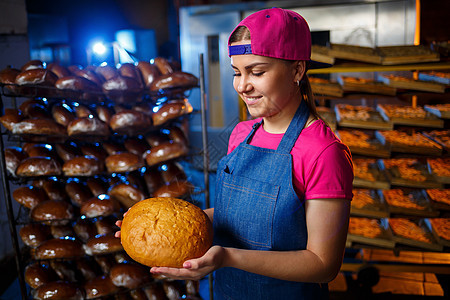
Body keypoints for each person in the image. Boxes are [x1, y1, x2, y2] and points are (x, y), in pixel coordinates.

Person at [117, 7, 353, 300]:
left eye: (257, 71)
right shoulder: (242, 133)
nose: (243, 85)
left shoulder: (324, 152)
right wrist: (171, 226)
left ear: (297, 70)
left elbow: (323, 265)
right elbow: (242, 213)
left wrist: (228, 257)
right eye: (237, 72)